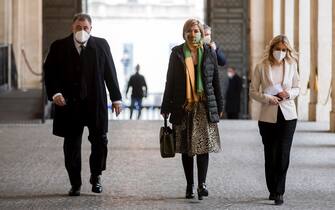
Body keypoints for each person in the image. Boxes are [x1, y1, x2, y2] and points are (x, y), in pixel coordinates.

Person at [44, 13, 122, 196]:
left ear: (91, 29)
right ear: (72, 28)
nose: (82, 31)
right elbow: (50, 74)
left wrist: (116, 98)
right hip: (69, 105)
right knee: (71, 146)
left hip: (95, 103)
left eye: (85, 28)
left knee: (100, 142)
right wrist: (55, 93)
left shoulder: (101, 45)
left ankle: (96, 177)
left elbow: (110, 72)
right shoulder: (59, 46)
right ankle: (75, 183)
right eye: (78, 27)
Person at [161, 19, 223, 200]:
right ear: (184, 33)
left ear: (202, 33)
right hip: (184, 106)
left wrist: (219, 105)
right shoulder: (177, 53)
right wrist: (166, 106)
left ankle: (202, 184)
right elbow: (169, 81)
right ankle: (190, 185)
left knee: (203, 147)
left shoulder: (210, 52)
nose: (193, 33)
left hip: (204, 105)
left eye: (196, 30)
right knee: (187, 148)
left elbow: (216, 81)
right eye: (189, 30)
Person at [249, 34, 299, 205]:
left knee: (284, 152)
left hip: (288, 115)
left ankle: (279, 191)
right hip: (267, 116)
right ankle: (272, 188)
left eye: (284, 50)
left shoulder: (292, 66)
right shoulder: (261, 67)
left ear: (288, 51)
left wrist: (289, 93)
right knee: (270, 153)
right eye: (278, 49)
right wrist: (267, 98)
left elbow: (298, 88)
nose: (281, 52)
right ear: (271, 49)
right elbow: (253, 91)